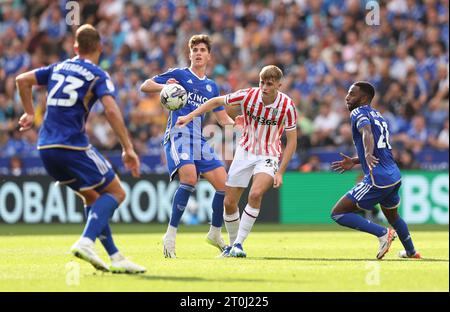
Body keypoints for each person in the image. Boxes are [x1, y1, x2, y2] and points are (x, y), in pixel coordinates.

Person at [15, 24, 146, 273]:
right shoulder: (98, 74)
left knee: (92, 197)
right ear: (100, 47)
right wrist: (128, 148)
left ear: (75, 47)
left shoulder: (58, 67)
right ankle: (86, 241)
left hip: (45, 147)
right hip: (71, 145)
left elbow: (22, 80)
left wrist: (30, 113)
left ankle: (116, 258)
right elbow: (110, 109)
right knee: (117, 193)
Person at [177, 65, 298, 258]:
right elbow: (216, 101)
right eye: (261, 82)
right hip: (245, 151)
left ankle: (239, 244)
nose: (264, 87)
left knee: (256, 193)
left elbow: (292, 141)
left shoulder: (287, 105)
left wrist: (281, 171)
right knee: (229, 202)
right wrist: (190, 116)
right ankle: (232, 246)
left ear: (278, 85)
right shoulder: (249, 95)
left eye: (269, 84)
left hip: (269, 154)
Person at [140, 34, 235, 258]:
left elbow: (222, 120)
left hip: (199, 139)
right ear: (189, 54)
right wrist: (164, 86)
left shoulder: (212, 87)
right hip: (178, 135)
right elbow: (145, 85)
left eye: (203, 50)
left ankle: (215, 233)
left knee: (225, 186)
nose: (199, 53)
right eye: (195, 50)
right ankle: (170, 236)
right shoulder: (179, 74)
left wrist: (240, 123)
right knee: (190, 179)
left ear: (209, 56)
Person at [330, 81, 421, 259]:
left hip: (377, 178)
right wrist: (357, 160)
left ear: (364, 98)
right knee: (393, 216)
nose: (347, 98)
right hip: (393, 175)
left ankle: (382, 233)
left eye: (352, 94)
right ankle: (411, 252)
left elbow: (366, 132)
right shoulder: (379, 115)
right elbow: (381, 146)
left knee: (338, 213)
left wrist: (368, 154)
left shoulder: (358, 112)